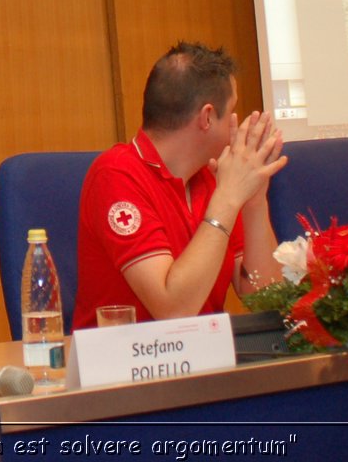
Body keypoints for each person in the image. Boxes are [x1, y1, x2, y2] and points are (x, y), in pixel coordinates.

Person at [73, 42, 286, 327]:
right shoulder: (115, 174)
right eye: (233, 110)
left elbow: (267, 300)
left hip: (204, 360)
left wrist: (255, 201)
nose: (237, 124)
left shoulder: (213, 178)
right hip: (131, 363)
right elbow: (173, 310)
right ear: (207, 117)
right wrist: (229, 198)